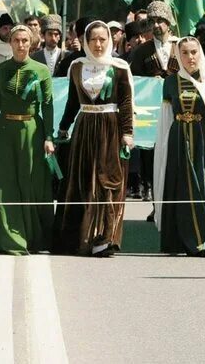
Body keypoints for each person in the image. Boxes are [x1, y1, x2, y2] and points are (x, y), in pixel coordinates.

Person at [54, 21, 135, 257]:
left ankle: (104, 237)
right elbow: (72, 102)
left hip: (110, 129)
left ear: (110, 40)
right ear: (86, 42)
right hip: (84, 127)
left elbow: (126, 102)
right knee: (81, 181)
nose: (98, 44)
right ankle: (80, 237)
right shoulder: (77, 67)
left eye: (102, 39)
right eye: (93, 40)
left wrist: (127, 133)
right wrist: (63, 128)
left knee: (106, 182)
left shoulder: (119, 67)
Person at [153, 38, 205, 256]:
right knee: (183, 188)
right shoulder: (170, 83)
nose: (190, 57)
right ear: (178, 56)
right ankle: (185, 241)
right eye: (185, 53)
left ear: (200, 53)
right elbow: (166, 119)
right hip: (179, 140)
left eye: (194, 52)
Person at [0, 25, 55, 255]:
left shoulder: (41, 70)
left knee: (31, 183)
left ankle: (35, 238)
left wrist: (49, 137)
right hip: (5, 131)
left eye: (25, 40)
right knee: (6, 184)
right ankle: (11, 240)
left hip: (32, 130)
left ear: (31, 42)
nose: (21, 44)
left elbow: (48, 105)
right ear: (10, 43)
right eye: (16, 40)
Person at [127, 1, 178, 204]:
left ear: (168, 22)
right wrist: (150, 83)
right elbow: (134, 82)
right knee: (151, 154)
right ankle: (153, 197)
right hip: (152, 112)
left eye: (160, 21)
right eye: (152, 21)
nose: (156, 25)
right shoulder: (141, 52)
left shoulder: (181, 46)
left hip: (179, 109)